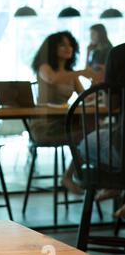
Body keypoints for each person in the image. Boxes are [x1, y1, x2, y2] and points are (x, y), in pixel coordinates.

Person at [29, 31, 95, 194]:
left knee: (93, 133)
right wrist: (81, 72)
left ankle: (72, 176)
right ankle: (71, 177)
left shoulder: (71, 74)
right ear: (53, 48)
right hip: (44, 126)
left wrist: (98, 85)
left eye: (70, 44)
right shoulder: (44, 68)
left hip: (63, 124)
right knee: (90, 137)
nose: (68, 48)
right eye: (62, 44)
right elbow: (53, 80)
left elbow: (85, 97)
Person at [79, 42, 125, 218]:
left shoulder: (119, 54)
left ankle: (117, 185)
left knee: (86, 143)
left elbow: (110, 105)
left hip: (123, 151)